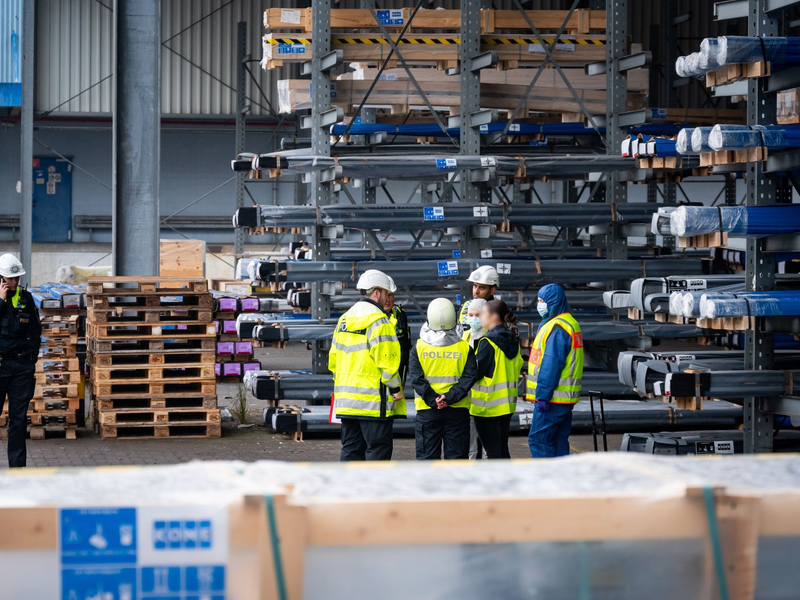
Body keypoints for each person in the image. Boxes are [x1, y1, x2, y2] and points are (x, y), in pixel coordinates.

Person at [330, 269, 405, 461]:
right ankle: (372, 491)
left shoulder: (344, 319)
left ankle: (348, 490)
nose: (388, 298)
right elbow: (387, 362)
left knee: (351, 449)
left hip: (347, 400)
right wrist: (396, 388)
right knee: (378, 450)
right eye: (387, 293)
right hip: (373, 402)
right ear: (377, 293)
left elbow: (333, 360)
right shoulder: (380, 321)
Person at [408, 298, 477, 460]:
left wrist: (434, 399)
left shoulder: (419, 347)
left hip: (427, 410)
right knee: (457, 459)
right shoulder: (464, 348)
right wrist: (450, 397)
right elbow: (469, 377)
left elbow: (416, 379)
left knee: (427, 458)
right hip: (457, 410)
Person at [526, 284, 584, 458]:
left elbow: (551, 365)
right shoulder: (570, 323)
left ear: (552, 302)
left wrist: (542, 395)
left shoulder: (558, 328)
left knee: (538, 440)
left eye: (542, 301)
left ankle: (547, 482)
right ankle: (562, 481)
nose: (539, 305)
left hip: (552, 399)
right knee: (558, 441)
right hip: (564, 400)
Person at [0, 254, 41, 468]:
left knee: (18, 421)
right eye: (10, 278)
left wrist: (30, 360)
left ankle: (17, 471)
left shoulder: (26, 298)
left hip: (21, 368)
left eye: (17, 278)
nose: (14, 282)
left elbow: (36, 331)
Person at [470, 299, 523, 459]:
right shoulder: (513, 339)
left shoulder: (488, 342)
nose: (480, 318)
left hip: (487, 407)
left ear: (493, 316)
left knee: (493, 453)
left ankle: (498, 483)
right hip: (506, 405)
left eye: (483, 314)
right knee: (501, 450)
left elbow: (475, 372)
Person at [462, 298, 487, 459]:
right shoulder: (464, 336)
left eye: (476, 315)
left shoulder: (491, 337)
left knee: (487, 445)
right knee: (470, 444)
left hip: (487, 398)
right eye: (470, 315)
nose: (472, 319)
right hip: (469, 397)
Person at [384, 287, 411, 387]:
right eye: (385, 295)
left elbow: (405, 348)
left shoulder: (400, 314)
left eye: (390, 295)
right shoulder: (371, 317)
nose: (387, 299)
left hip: (398, 372)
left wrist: (402, 379)